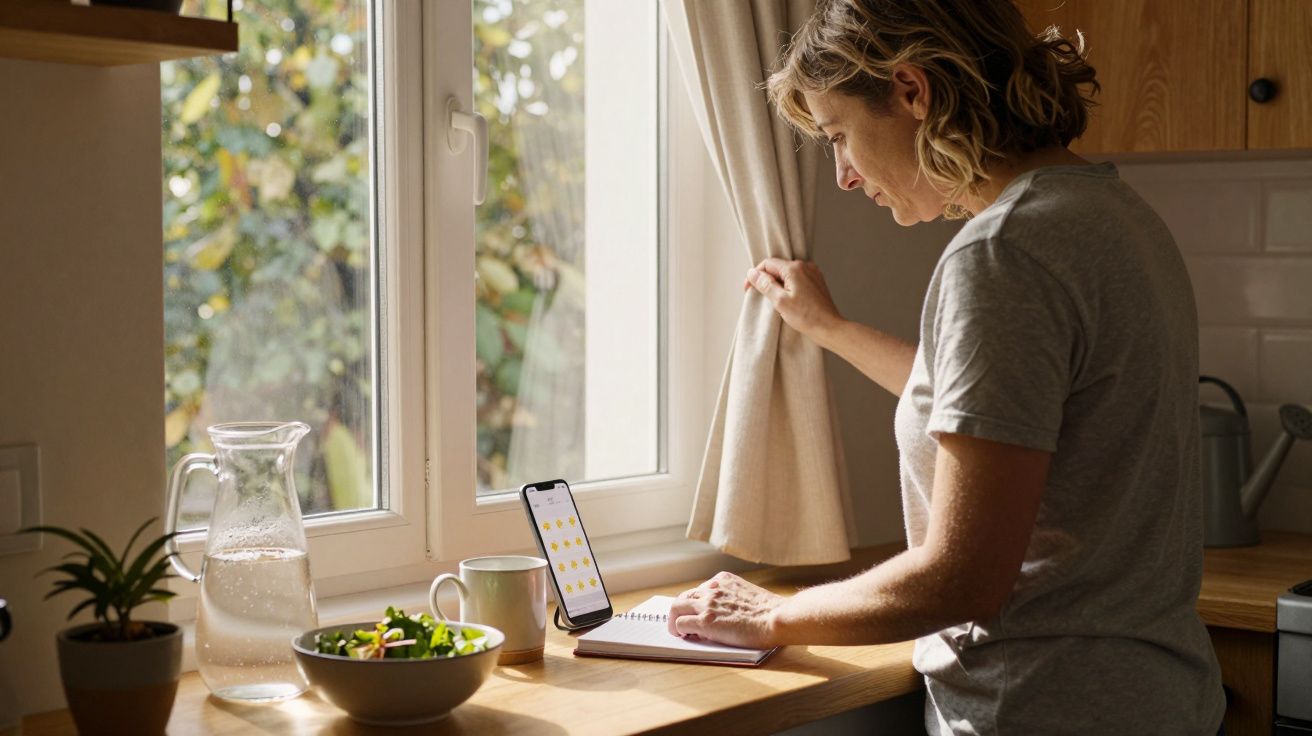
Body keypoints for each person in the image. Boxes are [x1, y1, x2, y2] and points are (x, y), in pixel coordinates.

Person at [665, 1, 1226, 733]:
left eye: (839, 136)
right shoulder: (1114, 216)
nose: (842, 175)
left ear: (911, 90)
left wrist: (776, 614)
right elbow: (1000, 409)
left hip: (1044, 707)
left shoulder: (1004, 251)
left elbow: (961, 579)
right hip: (1164, 699)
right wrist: (828, 330)